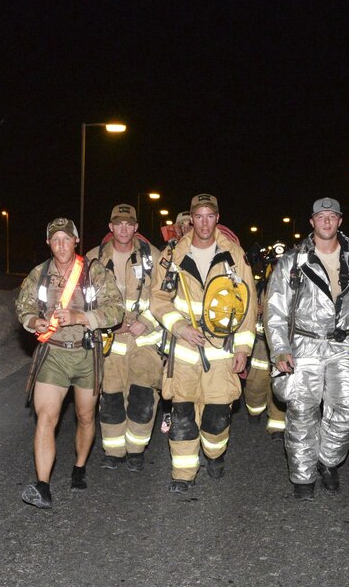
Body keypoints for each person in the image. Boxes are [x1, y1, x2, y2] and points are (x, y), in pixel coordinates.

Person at [265, 198, 349, 500]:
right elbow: (275, 309)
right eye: (321, 216)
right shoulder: (293, 261)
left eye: (332, 216)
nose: (327, 222)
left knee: (348, 407)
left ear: (340, 221)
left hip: (343, 344)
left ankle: (327, 461)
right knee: (302, 410)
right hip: (304, 344)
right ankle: (303, 476)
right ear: (312, 222)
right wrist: (280, 349)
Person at [149, 193, 256, 493]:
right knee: (182, 415)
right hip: (183, 351)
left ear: (217, 218)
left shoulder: (235, 255)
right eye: (199, 216)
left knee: (216, 418)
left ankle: (214, 454)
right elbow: (157, 299)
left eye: (210, 215)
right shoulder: (172, 255)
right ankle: (182, 475)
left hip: (221, 352)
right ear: (190, 219)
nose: (204, 222)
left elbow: (248, 305)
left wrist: (244, 350)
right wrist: (180, 327)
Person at [15, 217, 124, 509]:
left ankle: (79, 466)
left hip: (87, 354)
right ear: (48, 243)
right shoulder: (38, 275)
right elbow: (22, 307)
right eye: (55, 239)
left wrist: (80, 318)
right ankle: (42, 486)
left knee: (85, 417)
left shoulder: (94, 272)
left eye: (67, 239)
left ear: (76, 241)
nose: (61, 245)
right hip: (53, 354)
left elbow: (116, 310)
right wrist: (32, 321)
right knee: (46, 417)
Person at [86, 204, 163, 472]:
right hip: (110, 344)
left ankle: (136, 450)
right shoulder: (92, 258)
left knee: (142, 398)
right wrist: (107, 325)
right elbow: (84, 301)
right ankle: (114, 451)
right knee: (110, 399)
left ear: (136, 227)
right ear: (110, 226)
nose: (123, 228)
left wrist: (146, 322)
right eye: (118, 223)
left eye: (128, 223)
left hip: (144, 340)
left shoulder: (153, 257)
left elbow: (165, 297)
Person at [241, 254, 286, 440]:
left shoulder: (294, 289)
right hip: (260, 345)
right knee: (255, 387)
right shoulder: (259, 288)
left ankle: (277, 425)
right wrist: (254, 310)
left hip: (283, 348)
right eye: (274, 266)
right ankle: (254, 411)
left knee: (281, 385)